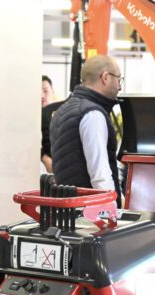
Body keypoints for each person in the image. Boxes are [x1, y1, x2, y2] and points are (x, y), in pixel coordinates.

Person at [49, 55, 122, 198]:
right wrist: (111, 208)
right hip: (88, 208)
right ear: (105, 77)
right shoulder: (92, 114)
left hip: (68, 205)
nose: (119, 86)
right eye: (118, 79)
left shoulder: (63, 110)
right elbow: (100, 176)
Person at [40, 75, 61, 173]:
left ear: (53, 92)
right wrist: (44, 157)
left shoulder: (62, 115)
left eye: (45, 91)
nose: (42, 96)